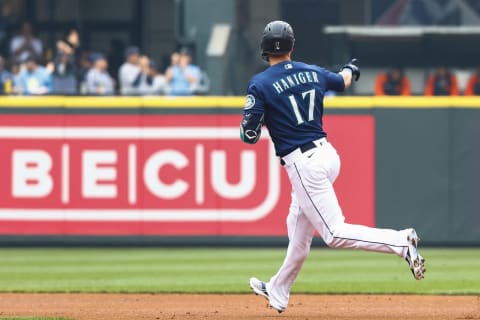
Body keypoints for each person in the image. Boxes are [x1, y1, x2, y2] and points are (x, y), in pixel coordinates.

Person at [241, 21, 426, 314]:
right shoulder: (311, 71)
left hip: (303, 163)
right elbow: (343, 80)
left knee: (333, 233)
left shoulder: (260, 84)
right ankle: (277, 291)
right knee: (298, 231)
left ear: (264, 49)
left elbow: (248, 136)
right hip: (327, 155)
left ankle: (401, 242)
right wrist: (351, 69)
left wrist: (260, 118)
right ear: (291, 45)